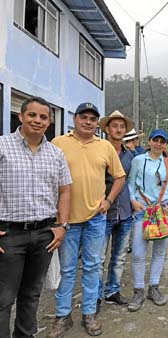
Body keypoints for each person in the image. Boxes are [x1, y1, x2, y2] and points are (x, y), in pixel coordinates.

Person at [49, 103, 126, 338]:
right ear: (75, 119)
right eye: (84, 117)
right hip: (66, 220)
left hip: (95, 218)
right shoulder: (58, 143)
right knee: (68, 269)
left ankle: (89, 313)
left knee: (93, 266)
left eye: (93, 118)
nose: (88, 121)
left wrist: (109, 201)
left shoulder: (104, 146)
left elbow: (120, 176)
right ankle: (63, 317)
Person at [0, 97, 71, 338]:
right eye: (32, 115)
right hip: (8, 235)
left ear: (49, 122)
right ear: (21, 117)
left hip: (44, 235)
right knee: (4, 297)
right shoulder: (2, 146)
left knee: (31, 294)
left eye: (43, 117)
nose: (37, 121)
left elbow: (65, 190)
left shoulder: (56, 154)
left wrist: (62, 225)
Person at [127, 129, 168, 312]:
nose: (158, 144)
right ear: (149, 141)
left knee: (159, 252)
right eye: (155, 140)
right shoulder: (138, 160)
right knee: (139, 253)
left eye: (162, 141)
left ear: (165, 144)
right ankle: (138, 290)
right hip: (143, 210)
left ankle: (154, 287)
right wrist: (133, 201)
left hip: (163, 211)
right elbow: (131, 184)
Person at [97, 111, 135, 311]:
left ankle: (112, 291)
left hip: (126, 213)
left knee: (119, 257)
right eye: (114, 126)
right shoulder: (98, 150)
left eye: (122, 126)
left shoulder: (131, 156)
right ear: (106, 129)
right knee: (98, 258)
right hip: (102, 213)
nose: (119, 129)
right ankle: (94, 296)